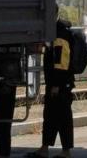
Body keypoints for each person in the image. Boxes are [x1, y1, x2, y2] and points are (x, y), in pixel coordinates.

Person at [28, 19, 76, 158]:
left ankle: (65, 151)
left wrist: (56, 85)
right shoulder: (53, 33)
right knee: (50, 116)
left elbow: (61, 62)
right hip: (56, 83)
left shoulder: (60, 35)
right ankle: (45, 148)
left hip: (60, 84)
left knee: (62, 117)